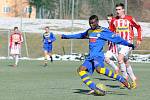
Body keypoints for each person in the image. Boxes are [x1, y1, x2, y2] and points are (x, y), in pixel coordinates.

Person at [61, 15, 135, 95]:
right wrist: (66, 36)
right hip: (90, 57)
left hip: (98, 56)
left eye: (93, 23)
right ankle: (94, 88)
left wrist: (128, 44)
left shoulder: (103, 31)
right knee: (80, 70)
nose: (91, 25)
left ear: (97, 22)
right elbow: (80, 35)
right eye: (90, 23)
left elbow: (117, 39)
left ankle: (121, 79)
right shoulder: (89, 31)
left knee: (99, 70)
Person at [109, 3, 142, 89]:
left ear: (123, 10)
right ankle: (134, 79)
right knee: (125, 61)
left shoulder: (129, 18)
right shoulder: (113, 20)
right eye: (116, 10)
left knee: (120, 58)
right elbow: (111, 32)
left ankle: (124, 78)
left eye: (119, 9)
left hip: (128, 43)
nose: (117, 11)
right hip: (119, 44)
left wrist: (139, 38)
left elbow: (138, 27)